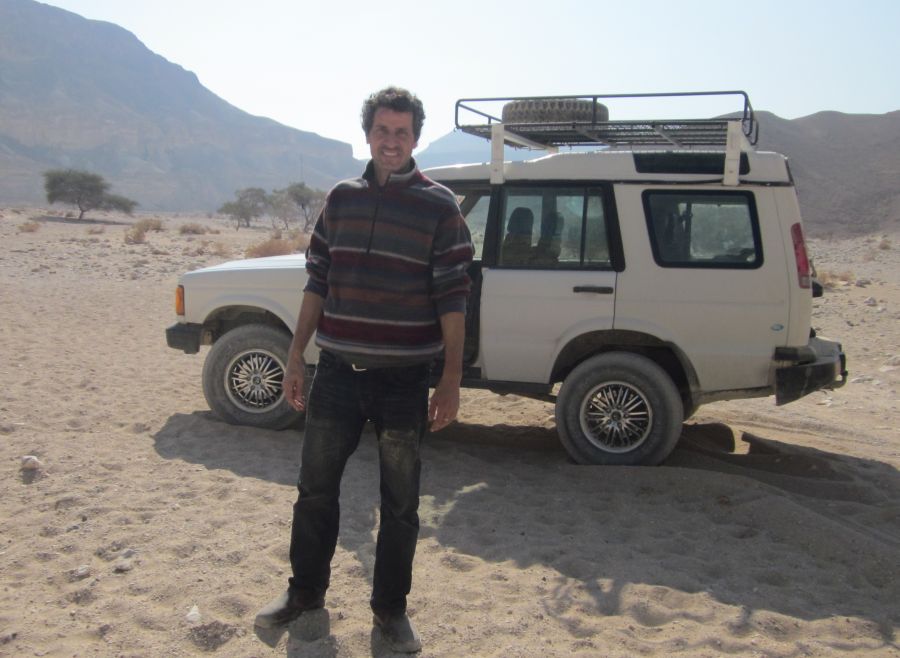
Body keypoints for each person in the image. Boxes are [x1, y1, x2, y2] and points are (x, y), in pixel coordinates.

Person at [255, 87, 474, 653]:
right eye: (383, 130)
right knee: (314, 492)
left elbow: (454, 297)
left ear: (416, 138)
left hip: (404, 382)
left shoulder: (440, 207)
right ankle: (304, 593)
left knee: (401, 505)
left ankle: (390, 614)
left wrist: (450, 378)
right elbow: (317, 281)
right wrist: (295, 355)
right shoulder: (341, 199)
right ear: (368, 133)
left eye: (402, 132)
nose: (392, 141)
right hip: (336, 373)